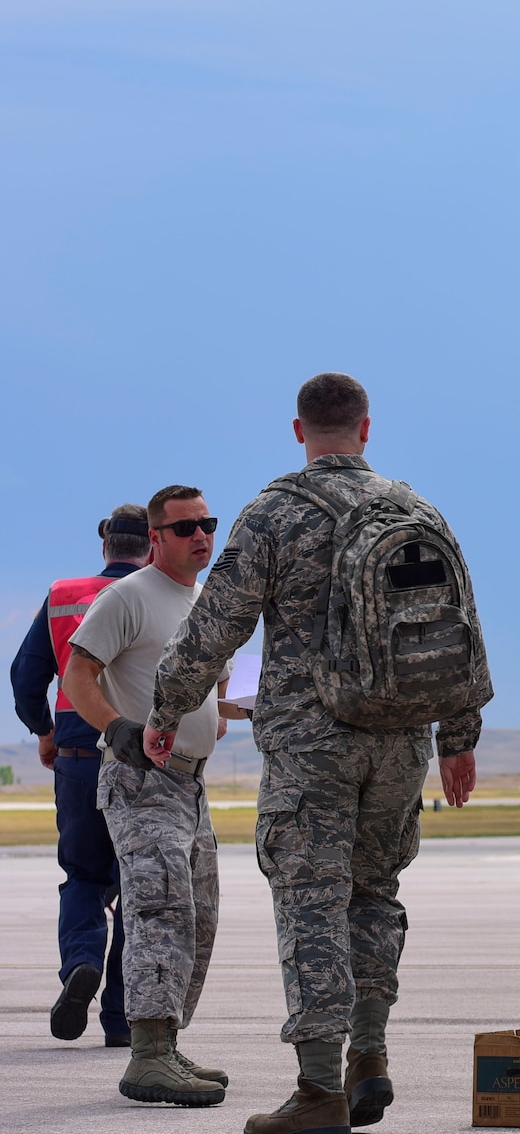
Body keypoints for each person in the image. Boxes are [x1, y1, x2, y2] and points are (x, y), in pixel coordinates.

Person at [145, 372, 488, 1134]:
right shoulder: (417, 509)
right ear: (366, 429)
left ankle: (318, 1089)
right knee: (374, 895)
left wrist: (166, 706)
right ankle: (370, 1060)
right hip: (402, 744)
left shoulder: (274, 513)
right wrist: (458, 738)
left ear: (299, 432)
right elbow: (457, 627)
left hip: (312, 748)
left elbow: (214, 627)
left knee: (310, 905)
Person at [63, 485, 228, 1107]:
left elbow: (207, 690)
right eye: (186, 528)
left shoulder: (203, 602)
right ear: (155, 537)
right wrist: (117, 728)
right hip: (141, 781)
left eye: (208, 524)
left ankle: (168, 1041)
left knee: (200, 918)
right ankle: (148, 1056)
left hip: (190, 782)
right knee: (160, 912)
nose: (201, 536)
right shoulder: (126, 596)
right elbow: (78, 672)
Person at [9, 507, 149, 1047]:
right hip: (147, 760)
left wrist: (44, 729)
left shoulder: (64, 594)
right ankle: (120, 1020)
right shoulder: (164, 592)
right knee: (140, 888)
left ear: (105, 544)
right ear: (152, 545)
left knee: (84, 877)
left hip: (78, 757)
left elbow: (26, 675)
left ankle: (80, 963)